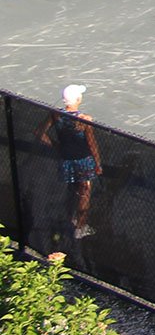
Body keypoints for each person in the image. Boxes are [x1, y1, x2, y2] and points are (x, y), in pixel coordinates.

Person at [38, 85, 103, 239]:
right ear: (79, 99)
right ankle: (81, 227)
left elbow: (40, 133)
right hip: (83, 160)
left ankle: (73, 218)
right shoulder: (84, 120)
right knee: (85, 192)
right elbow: (92, 144)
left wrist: (57, 147)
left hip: (66, 159)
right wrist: (98, 164)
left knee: (74, 189)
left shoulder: (55, 115)